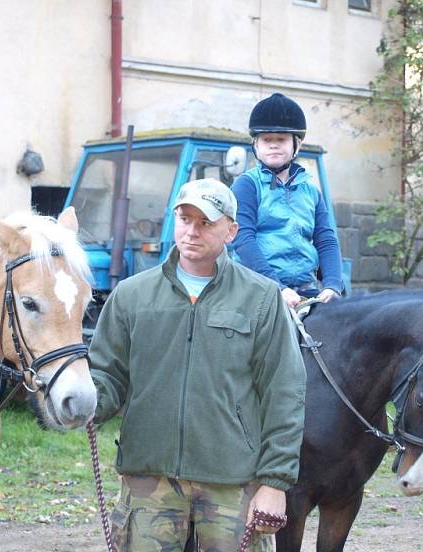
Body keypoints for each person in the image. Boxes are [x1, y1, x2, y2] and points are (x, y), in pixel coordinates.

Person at [89, 178, 306, 551]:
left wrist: (274, 483)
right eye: (184, 218)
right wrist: (80, 401)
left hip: (232, 481)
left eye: (205, 222)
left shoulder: (261, 298)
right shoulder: (131, 295)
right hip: (148, 478)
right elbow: (107, 376)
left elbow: (284, 392)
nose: (192, 231)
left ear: (231, 230)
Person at [231, 93, 343, 309]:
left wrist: (332, 285)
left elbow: (326, 240)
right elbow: (243, 239)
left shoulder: (311, 190)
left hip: (305, 289)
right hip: (257, 287)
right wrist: (277, 287)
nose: (273, 145)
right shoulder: (246, 186)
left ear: (296, 145)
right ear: (255, 145)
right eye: (267, 139)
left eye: (281, 139)